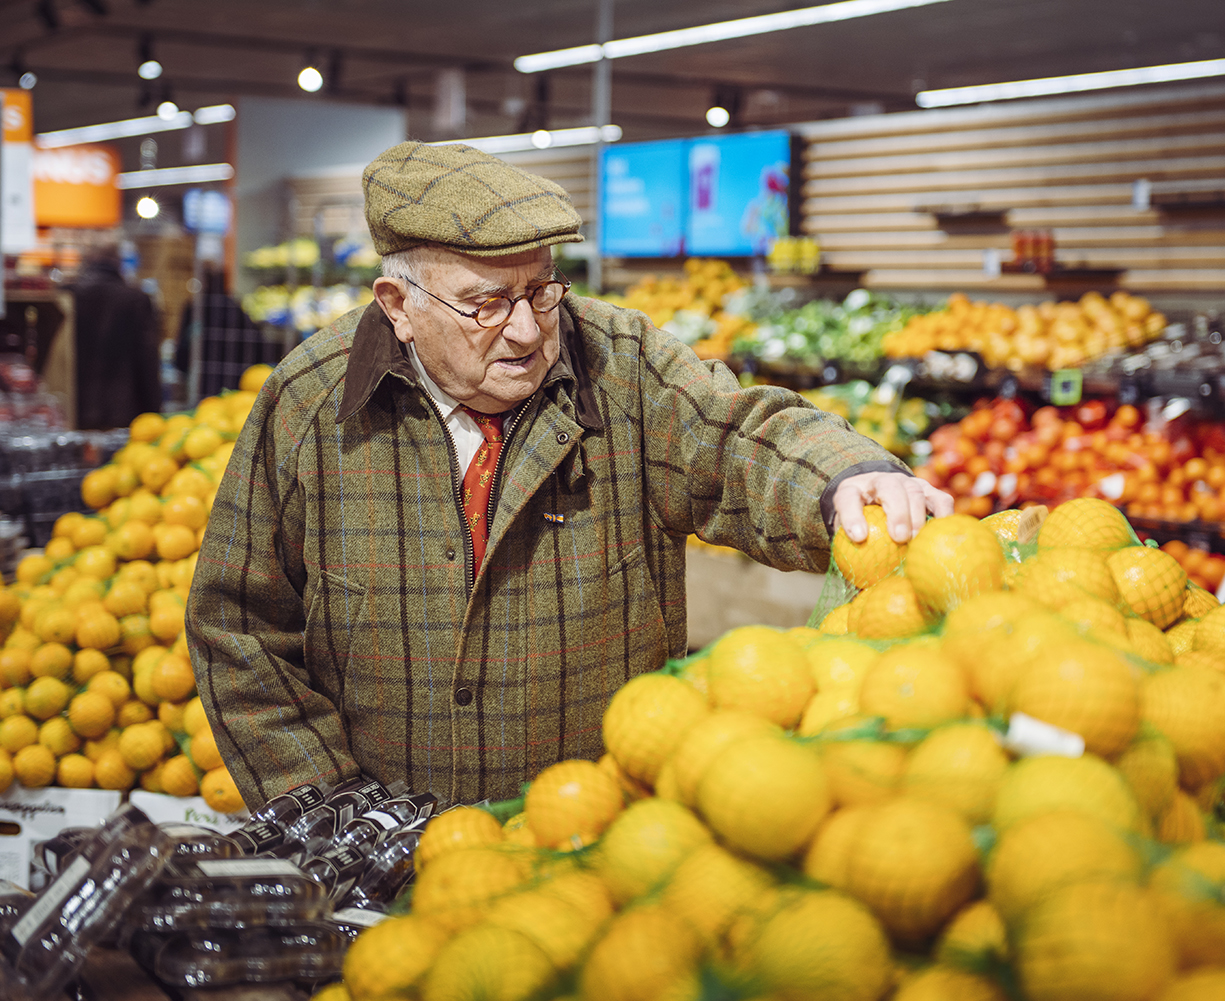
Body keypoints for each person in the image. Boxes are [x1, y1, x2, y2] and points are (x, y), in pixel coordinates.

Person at [186, 141, 950, 809]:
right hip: (381, 865)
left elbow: (738, 434)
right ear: (399, 305)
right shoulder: (311, 406)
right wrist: (332, 814)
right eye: (486, 303)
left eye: (540, 290)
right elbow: (238, 625)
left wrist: (845, 477)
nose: (525, 330)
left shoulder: (622, 364)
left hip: (594, 835)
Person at [70, 246, 162, 430]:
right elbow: (148, 358)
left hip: (76, 405)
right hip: (125, 408)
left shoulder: (70, 296)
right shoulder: (136, 298)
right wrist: (154, 409)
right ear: (118, 262)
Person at [173, 262, 283, 399]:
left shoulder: (195, 309)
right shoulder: (235, 308)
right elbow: (259, 344)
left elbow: (182, 350)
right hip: (237, 383)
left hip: (203, 382)